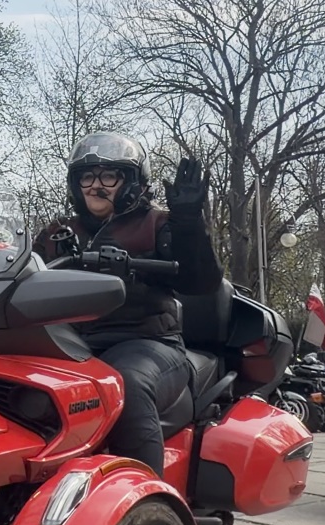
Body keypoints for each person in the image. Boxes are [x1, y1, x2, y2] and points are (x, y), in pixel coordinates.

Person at [32, 132, 223, 476]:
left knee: (124, 385)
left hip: (147, 341)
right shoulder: (59, 232)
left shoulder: (158, 224)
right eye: (87, 177)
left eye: (109, 176)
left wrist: (188, 223)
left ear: (132, 182)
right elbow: (24, 272)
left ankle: (144, 495)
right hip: (70, 344)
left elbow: (200, 282)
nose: (96, 185)